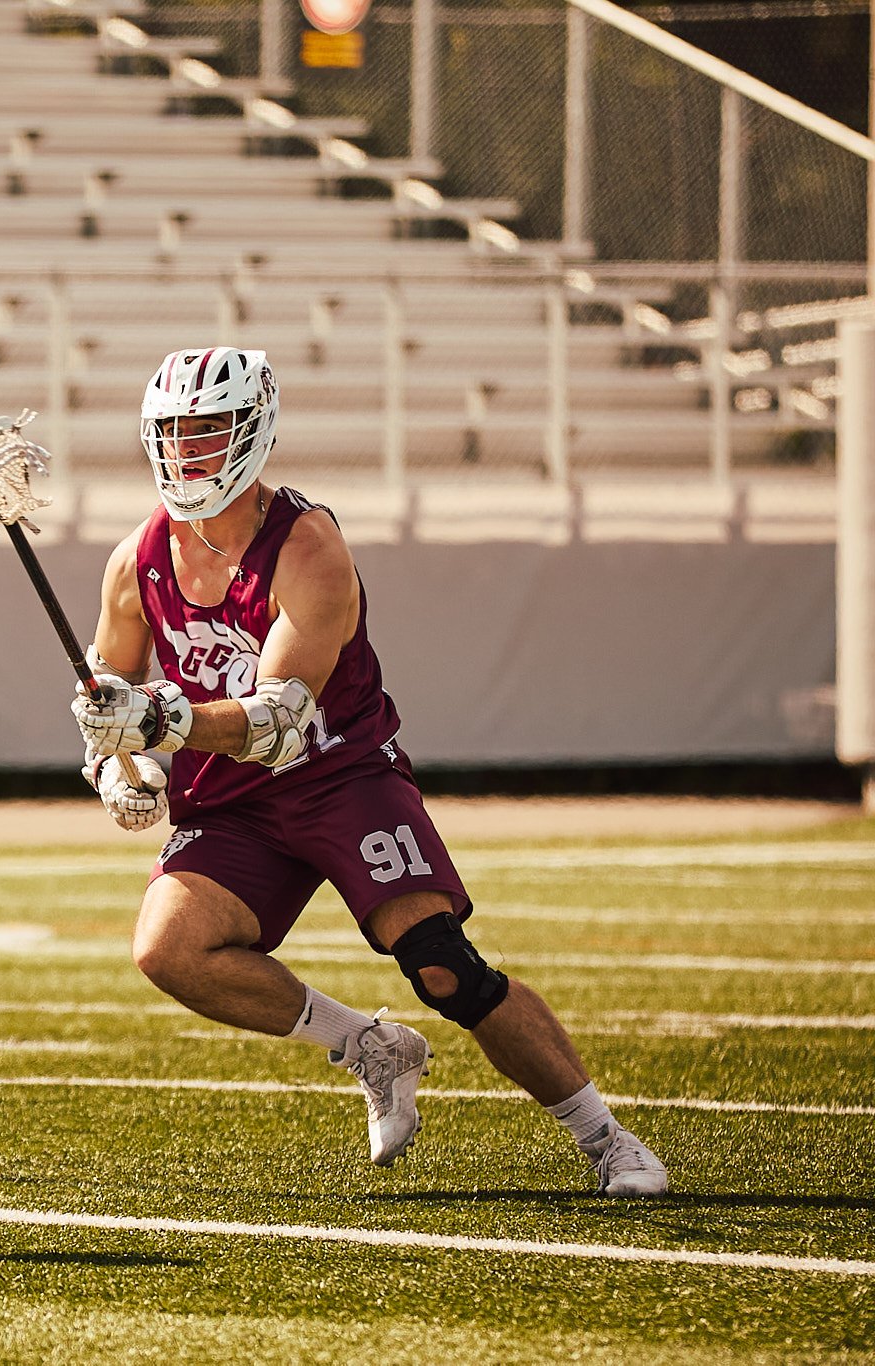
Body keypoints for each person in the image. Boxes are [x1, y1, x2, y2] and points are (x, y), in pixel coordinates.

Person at [70, 345, 668, 1197]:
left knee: (442, 967)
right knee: (170, 950)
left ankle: (606, 1137)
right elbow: (107, 699)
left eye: (206, 433)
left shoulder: (308, 545)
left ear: (251, 434)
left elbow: (278, 721)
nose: (185, 454)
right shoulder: (137, 560)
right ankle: (368, 1048)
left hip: (337, 774)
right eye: (171, 435)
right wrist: (114, 768)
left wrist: (159, 721)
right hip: (231, 801)